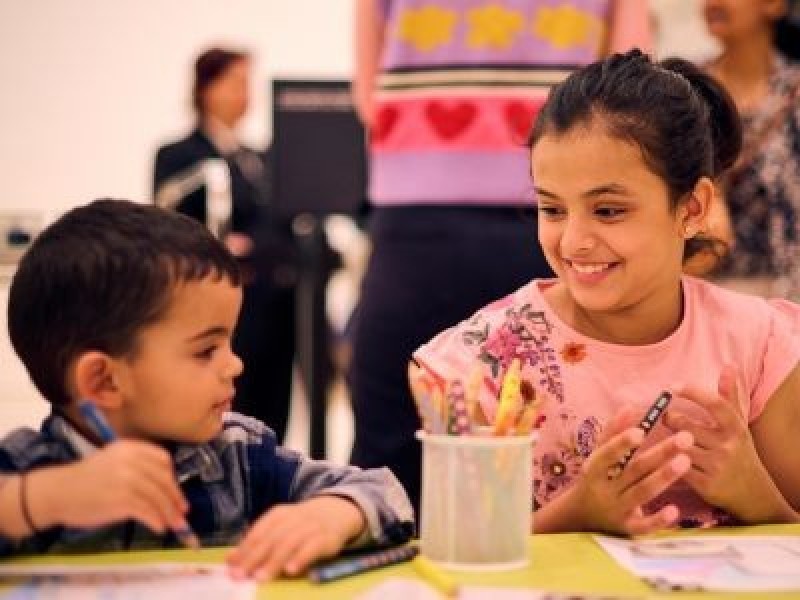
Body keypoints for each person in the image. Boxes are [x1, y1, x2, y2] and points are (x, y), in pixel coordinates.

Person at [412, 50, 800, 535]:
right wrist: (578, 512)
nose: (574, 241)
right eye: (553, 210)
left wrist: (756, 495)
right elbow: (461, 547)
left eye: (608, 211)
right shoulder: (481, 364)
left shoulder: (761, 345)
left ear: (692, 208)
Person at [0, 199, 414, 580]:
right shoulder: (27, 466)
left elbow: (387, 492)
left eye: (229, 342)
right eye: (206, 350)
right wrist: (39, 500)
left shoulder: (238, 455)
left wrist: (333, 514)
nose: (235, 365)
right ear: (104, 381)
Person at [349, 0, 653, 514]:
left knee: (397, 449)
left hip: (437, 196)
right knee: (552, 442)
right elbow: (629, 75)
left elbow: (368, 89)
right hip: (552, 198)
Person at [154, 47, 297, 441]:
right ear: (206, 88)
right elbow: (171, 226)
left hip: (277, 305)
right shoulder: (180, 157)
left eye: (248, 84)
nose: (244, 94)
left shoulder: (261, 158)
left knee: (274, 413)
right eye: (234, 83)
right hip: (226, 306)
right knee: (231, 410)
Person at [701, 0, 800, 298]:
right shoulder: (688, 89)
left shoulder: (794, 91)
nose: (712, 2)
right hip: (706, 291)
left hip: (787, 295)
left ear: (774, 5)